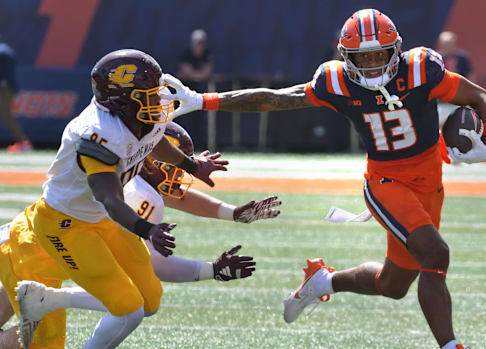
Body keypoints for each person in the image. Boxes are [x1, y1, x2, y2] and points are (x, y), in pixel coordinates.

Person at [164, 9, 486, 349]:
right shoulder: (336, 82)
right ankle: (451, 345)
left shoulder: (421, 69)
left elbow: (478, 97)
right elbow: (275, 99)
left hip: (429, 179)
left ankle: (324, 281)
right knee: (436, 254)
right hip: (386, 182)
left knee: (393, 285)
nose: (372, 65)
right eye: (362, 58)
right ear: (346, 56)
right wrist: (202, 100)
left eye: (380, 54)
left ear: (396, 49)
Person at [9, 48, 230, 349]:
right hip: (65, 225)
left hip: (97, 218)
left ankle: (47, 300)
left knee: (149, 300)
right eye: (149, 95)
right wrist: (146, 229)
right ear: (121, 100)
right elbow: (109, 198)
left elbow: (155, 141)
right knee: (129, 311)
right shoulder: (98, 135)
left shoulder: (138, 118)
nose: (159, 101)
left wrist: (192, 166)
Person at [0, 123, 280, 348]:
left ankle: (47, 300)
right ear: (148, 160)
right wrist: (211, 270)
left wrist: (233, 213)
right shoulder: (138, 195)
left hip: (23, 242)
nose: (179, 172)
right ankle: (49, 301)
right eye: (173, 164)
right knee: (44, 341)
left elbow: (177, 197)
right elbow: (151, 264)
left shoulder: (127, 172)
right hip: (32, 257)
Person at [175, 29, 215, 149]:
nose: (199, 46)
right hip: (184, 91)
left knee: (199, 120)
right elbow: (188, 73)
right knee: (183, 120)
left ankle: (198, 145)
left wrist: (198, 77)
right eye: (197, 43)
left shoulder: (207, 54)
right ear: (192, 43)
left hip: (200, 91)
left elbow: (208, 71)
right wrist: (198, 76)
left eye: (201, 43)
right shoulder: (186, 54)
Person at [436, 31, 474, 128]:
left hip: (459, 100)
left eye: (450, 43)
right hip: (442, 101)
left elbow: (470, 77)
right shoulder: (435, 59)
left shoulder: (462, 58)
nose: (447, 47)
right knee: (439, 126)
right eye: (445, 44)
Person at [0, 36, 31, 153]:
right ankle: (22, 141)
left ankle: (23, 142)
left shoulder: (3, 51)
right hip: (6, 87)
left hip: (4, 88)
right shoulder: (5, 50)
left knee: (6, 115)